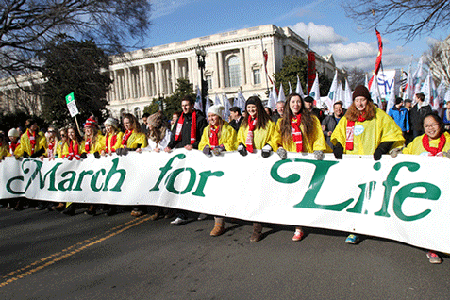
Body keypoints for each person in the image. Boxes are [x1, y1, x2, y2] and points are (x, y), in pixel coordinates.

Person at [331, 85, 405, 244]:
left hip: (372, 163)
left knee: (372, 195)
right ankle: (354, 229)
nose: (359, 103)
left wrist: (383, 147)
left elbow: (392, 132)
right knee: (355, 196)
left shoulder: (379, 115)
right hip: (353, 164)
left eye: (362, 99)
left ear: (368, 100)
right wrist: (338, 145)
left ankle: (371, 227)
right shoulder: (348, 117)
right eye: (356, 100)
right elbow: (338, 133)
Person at [395, 113, 450, 264]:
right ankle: (431, 248)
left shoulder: (449, 140)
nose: (430, 128)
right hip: (424, 190)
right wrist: (397, 153)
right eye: (427, 126)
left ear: (441, 124)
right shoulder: (418, 142)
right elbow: (406, 154)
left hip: (444, 191)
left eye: (433, 124)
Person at [275, 93, 326, 242]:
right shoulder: (281, 122)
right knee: (295, 195)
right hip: (291, 163)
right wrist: (278, 147)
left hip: (308, 161)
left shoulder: (311, 119)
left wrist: (319, 148)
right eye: (293, 102)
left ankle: (315, 220)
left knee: (310, 193)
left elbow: (318, 137)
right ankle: (298, 228)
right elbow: (275, 139)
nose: (295, 104)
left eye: (298, 102)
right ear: (288, 104)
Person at [236, 96, 278, 242]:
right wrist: (240, 144)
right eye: (248, 108)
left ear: (258, 107)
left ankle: (264, 222)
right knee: (253, 194)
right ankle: (256, 227)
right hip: (250, 163)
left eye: (253, 107)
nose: (251, 110)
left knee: (264, 193)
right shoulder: (244, 123)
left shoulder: (268, 123)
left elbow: (275, 137)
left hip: (265, 162)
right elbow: (239, 137)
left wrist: (270, 145)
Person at [165, 95, 207, 225]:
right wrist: (169, 146)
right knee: (181, 185)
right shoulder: (180, 120)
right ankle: (181, 214)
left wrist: (193, 146)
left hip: (196, 155)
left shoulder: (200, 119)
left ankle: (202, 209)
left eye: (187, 105)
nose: (184, 108)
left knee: (197, 184)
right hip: (183, 156)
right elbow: (175, 137)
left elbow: (203, 138)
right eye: (183, 106)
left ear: (192, 105)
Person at [198, 105, 237, 236]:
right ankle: (218, 223)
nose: (211, 119)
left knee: (227, 192)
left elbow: (234, 144)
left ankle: (233, 212)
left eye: (213, 116)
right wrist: (205, 147)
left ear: (219, 117)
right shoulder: (206, 130)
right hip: (212, 166)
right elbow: (202, 143)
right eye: (209, 116)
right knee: (214, 193)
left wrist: (222, 147)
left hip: (226, 165)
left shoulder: (228, 129)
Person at [116, 113, 148, 217]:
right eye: (124, 123)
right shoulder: (125, 134)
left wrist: (130, 150)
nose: (125, 125)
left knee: (137, 184)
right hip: (127, 162)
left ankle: (139, 206)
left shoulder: (139, 134)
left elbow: (141, 147)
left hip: (136, 162)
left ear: (132, 122)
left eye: (127, 123)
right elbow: (122, 145)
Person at [61, 124, 86, 216]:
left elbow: (84, 151)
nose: (70, 134)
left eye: (72, 132)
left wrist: (81, 154)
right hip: (71, 168)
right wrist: (67, 157)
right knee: (70, 186)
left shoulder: (80, 142)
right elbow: (64, 154)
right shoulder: (67, 144)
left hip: (80, 168)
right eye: (69, 132)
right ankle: (70, 207)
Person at [83, 116, 105, 215]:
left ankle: (102, 204)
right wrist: (83, 153)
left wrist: (99, 151)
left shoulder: (99, 137)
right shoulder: (86, 140)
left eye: (89, 128)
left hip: (99, 164)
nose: (87, 130)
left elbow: (104, 147)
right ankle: (92, 206)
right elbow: (85, 150)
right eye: (86, 129)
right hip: (90, 165)